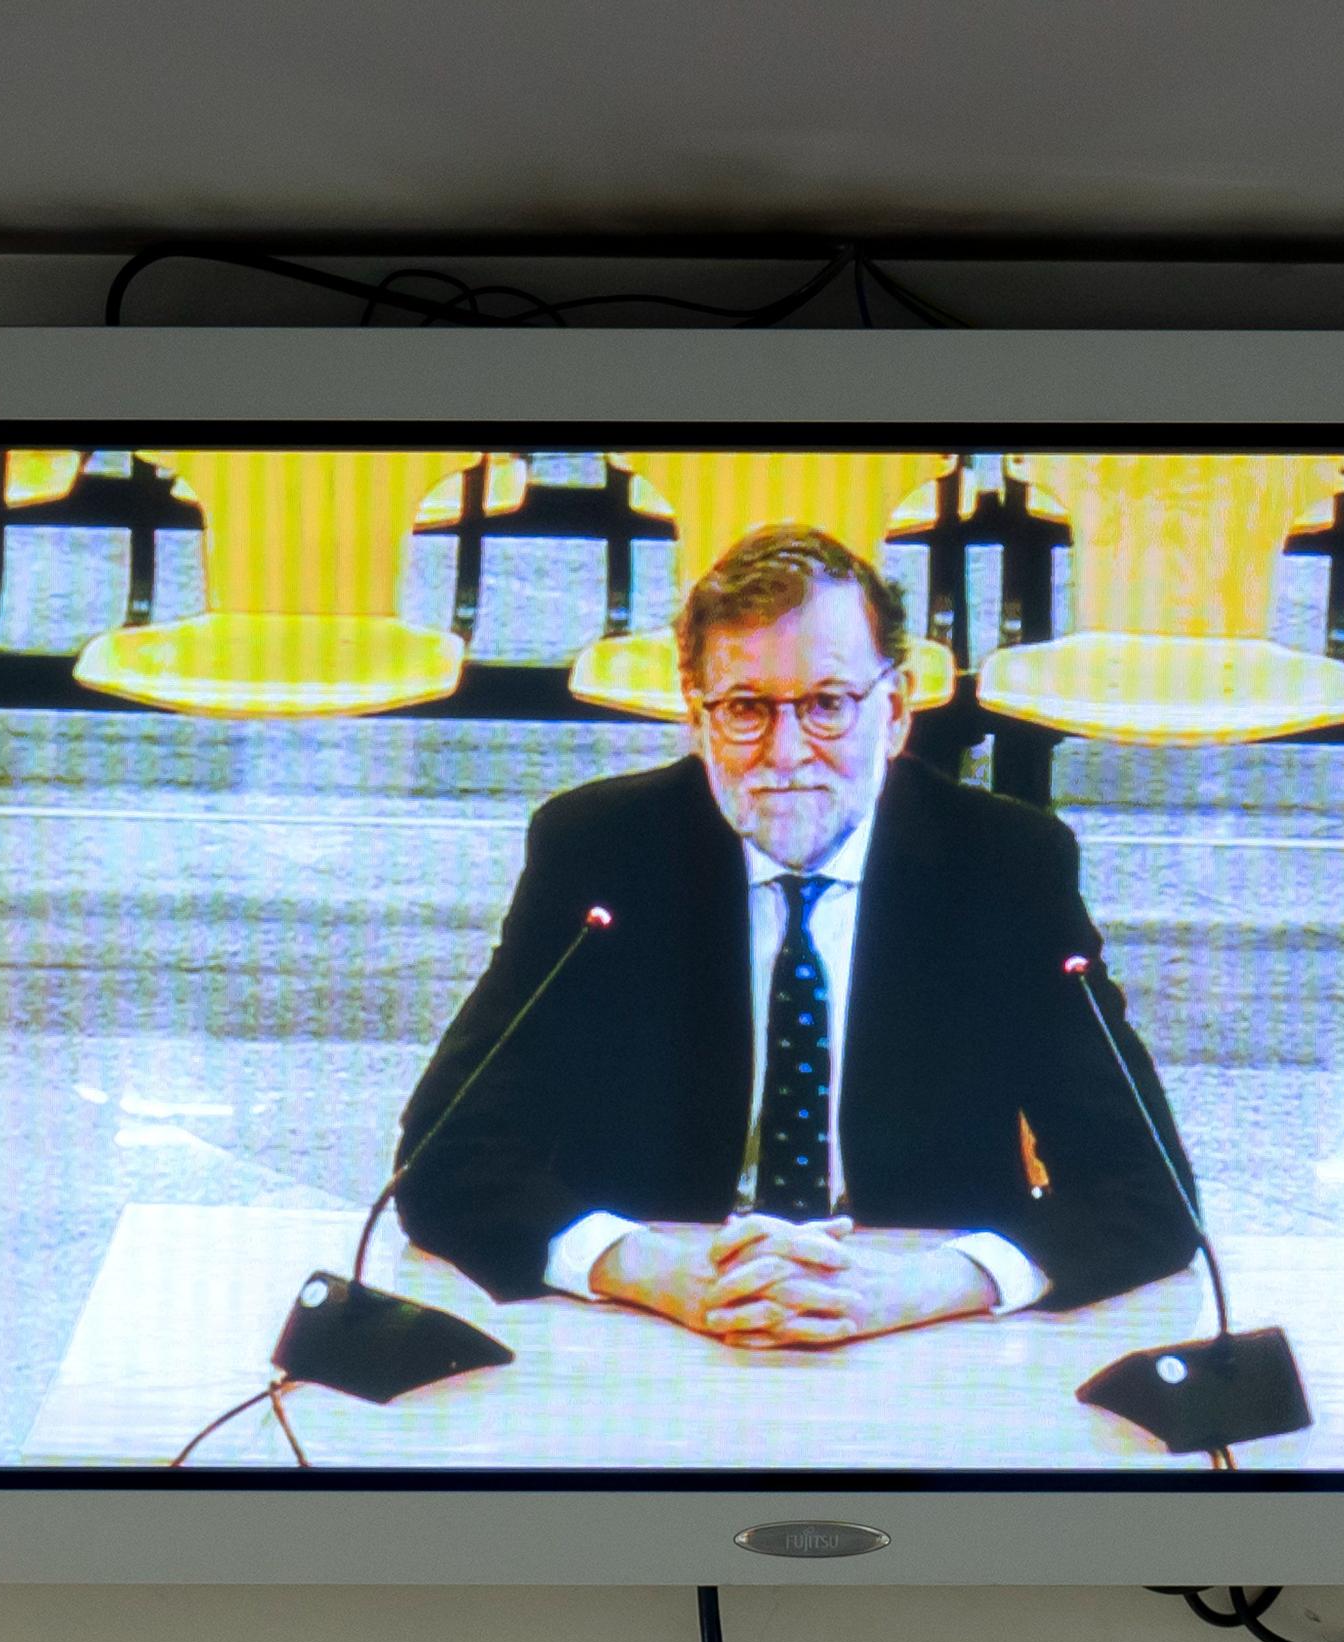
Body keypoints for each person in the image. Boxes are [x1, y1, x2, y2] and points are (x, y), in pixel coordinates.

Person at [391, 524, 1201, 1349]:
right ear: (698, 716)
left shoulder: (1003, 865)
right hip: (659, 1327)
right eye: (745, 708)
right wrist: (656, 1272)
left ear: (895, 711)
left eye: (827, 705)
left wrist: (921, 1288)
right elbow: (444, 1158)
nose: (785, 754)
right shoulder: (602, 851)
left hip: (923, 1329)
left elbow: (1149, 1190)